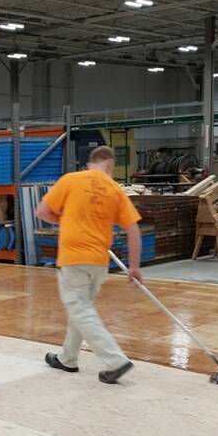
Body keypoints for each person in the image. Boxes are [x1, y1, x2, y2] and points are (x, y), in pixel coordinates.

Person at [36, 145, 142, 384]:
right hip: (98, 262)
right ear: (109, 165)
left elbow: (42, 211)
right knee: (81, 309)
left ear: (90, 163)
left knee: (81, 310)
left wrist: (62, 218)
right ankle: (68, 358)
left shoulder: (71, 180)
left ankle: (115, 360)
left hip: (73, 258)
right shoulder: (115, 190)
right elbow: (133, 230)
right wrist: (134, 267)